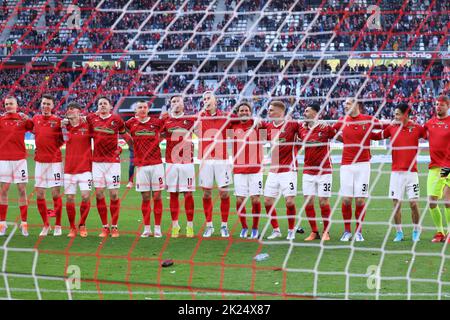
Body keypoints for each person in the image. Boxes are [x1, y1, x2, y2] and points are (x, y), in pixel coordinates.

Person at [370, 103, 426, 242]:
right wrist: (363, 129)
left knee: (413, 204)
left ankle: (416, 230)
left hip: (412, 173)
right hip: (396, 173)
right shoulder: (392, 127)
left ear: (405, 114)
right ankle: (399, 232)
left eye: (397, 114)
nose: (395, 116)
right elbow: (377, 137)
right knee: (396, 204)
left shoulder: (417, 128)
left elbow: (431, 135)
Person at [332, 98, 384, 242]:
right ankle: (347, 231)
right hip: (346, 165)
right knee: (347, 199)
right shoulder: (342, 120)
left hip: (363, 165)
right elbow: (331, 132)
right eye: (345, 104)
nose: (345, 106)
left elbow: (385, 129)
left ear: (356, 105)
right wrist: (343, 140)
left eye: (348, 103)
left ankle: (359, 231)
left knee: (360, 200)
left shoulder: (368, 119)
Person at [86, 96, 128, 238]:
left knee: (114, 194)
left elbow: (125, 137)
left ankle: (115, 226)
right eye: (100, 104)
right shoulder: (91, 119)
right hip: (97, 163)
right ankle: (105, 227)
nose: (102, 105)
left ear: (110, 106)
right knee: (98, 194)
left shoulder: (117, 120)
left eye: (105, 103)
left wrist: (121, 149)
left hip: (113, 163)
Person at [125, 100, 165, 238]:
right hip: (141, 166)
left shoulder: (157, 123)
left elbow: (165, 133)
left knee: (157, 196)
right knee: (146, 197)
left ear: (148, 109)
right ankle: (147, 228)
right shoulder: (130, 123)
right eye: (139, 107)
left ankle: (158, 228)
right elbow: (122, 133)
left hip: (156, 164)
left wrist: (156, 142)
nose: (142, 109)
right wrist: (132, 145)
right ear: (136, 110)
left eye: (145, 107)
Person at [262, 100, 299, 240]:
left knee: (289, 201)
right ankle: (276, 230)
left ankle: (291, 230)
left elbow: (305, 131)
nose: (269, 112)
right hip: (273, 170)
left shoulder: (293, 125)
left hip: (289, 169)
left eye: (271, 110)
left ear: (280, 112)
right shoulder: (268, 126)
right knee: (267, 201)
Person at [197, 91, 232, 238]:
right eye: (204, 99)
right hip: (205, 160)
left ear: (215, 101)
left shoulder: (225, 116)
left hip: (221, 160)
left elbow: (243, 120)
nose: (206, 100)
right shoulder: (198, 117)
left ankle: (224, 225)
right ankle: (209, 225)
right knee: (206, 193)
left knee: (224, 193)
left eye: (209, 98)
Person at [298, 103, 334, 241]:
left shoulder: (325, 128)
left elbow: (340, 135)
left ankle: (326, 232)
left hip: (324, 170)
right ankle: (314, 232)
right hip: (308, 170)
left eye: (307, 111)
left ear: (315, 113)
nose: (304, 113)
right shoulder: (301, 128)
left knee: (323, 202)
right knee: (308, 201)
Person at [162, 95, 197, 238]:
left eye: (178, 101)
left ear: (183, 105)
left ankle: (190, 226)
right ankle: (175, 225)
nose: (176, 104)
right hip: (171, 162)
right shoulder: (165, 120)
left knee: (188, 194)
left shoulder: (191, 120)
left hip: (187, 162)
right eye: (173, 102)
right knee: (173, 194)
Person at [228, 101, 263, 239]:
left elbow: (268, 131)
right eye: (241, 110)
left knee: (255, 200)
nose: (244, 112)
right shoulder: (233, 126)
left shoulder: (258, 125)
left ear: (251, 112)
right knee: (239, 200)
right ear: (237, 113)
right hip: (239, 170)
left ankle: (255, 228)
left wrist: (257, 120)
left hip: (255, 169)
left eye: (246, 110)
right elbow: (225, 122)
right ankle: (244, 227)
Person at [0, 96, 33, 237]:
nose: (8, 106)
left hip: (20, 160)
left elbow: (33, 127)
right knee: (3, 190)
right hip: (3, 159)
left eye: (11, 104)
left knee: (21, 189)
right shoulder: (1, 120)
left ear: (17, 105)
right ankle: (2, 224)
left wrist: (27, 118)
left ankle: (24, 223)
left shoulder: (22, 119)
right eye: (6, 104)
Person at [32, 94, 64, 237]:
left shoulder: (58, 121)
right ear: (41, 105)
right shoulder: (35, 119)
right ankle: (46, 225)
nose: (45, 106)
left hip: (55, 163)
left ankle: (58, 225)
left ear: (53, 106)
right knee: (39, 195)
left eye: (48, 104)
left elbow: (64, 139)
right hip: (40, 163)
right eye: (44, 103)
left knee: (55, 194)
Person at [61, 102, 92, 238]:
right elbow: (64, 140)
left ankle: (82, 224)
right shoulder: (65, 126)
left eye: (72, 109)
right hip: (69, 169)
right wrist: (62, 127)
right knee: (70, 198)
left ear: (79, 112)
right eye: (68, 110)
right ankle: (72, 227)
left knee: (85, 196)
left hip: (86, 168)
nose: (69, 111)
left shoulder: (87, 125)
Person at [423, 95, 450, 243]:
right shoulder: (429, 123)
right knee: (432, 202)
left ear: (447, 107)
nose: (438, 107)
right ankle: (439, 232)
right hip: (435, 168)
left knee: (448, 201)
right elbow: (417, 133)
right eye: (437, 105)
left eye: (441, 105)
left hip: (449, 167)